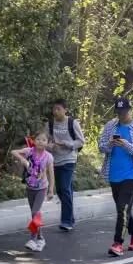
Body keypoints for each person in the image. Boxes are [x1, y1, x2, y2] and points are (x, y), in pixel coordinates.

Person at [98, 97, 133, 257]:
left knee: (122, 209)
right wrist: (110, 145)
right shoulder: (110, 126)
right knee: (124, 210)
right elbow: (101, 146)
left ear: (130, 111)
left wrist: (126, 144)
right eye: (119, 112)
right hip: (114, 174)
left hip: (131, 174)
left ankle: (118, 243)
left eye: (124, 112)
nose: (121, 115)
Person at [46, 98, 85, 232]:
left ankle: (66, 221)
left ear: (65, 110)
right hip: (55, 160)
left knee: (64, 188)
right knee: (63, 190)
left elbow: (80, 141)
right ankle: (70, 218)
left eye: (58, 109)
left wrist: (67, 144)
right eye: (54, 109)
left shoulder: (72, 123)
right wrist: (49, 146)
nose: (55, 112)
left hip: (69, 159)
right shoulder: (50, 124)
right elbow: (45, 141)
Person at [11, 132, 55, 252]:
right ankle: (41, 238)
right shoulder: (29, 151)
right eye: (38, 139)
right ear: (34, 140)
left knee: (36, 211)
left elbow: (51, 174)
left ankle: (33, 239)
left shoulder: (48, 157)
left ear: (48, 143)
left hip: (42, 188)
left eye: (44, 140)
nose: (40, 141)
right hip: (30, 187)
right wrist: (23, 160)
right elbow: (13, 152)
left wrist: (51, 190)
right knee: (34, 214)